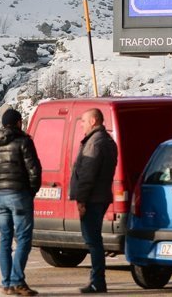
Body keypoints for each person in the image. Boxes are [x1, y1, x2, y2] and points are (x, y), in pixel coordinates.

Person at [0, 108, 42, 296]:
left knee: (5, 239)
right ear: (18, 122)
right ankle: (18, 281)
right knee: (24, 239)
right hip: (20, 194)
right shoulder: (24, 141)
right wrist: (30, 192)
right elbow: (34, 170)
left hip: (0, 196)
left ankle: (6, 284)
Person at [69, 108, 118, 294]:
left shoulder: (95, 143)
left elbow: (88, 174)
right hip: (100, 195)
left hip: (93, 198)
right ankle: (97, 280)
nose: (81, 124)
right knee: (93, 239)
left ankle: (98, 281)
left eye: (83, 120)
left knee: (93, 240)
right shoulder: (106, 141)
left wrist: (81, 199)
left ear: (93, 121)